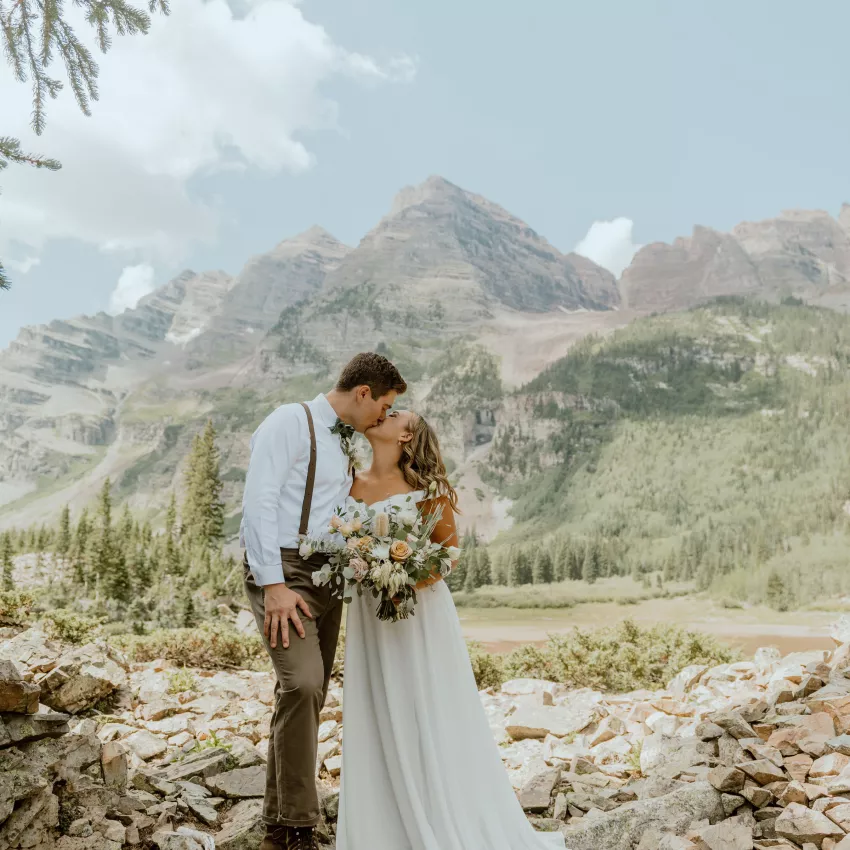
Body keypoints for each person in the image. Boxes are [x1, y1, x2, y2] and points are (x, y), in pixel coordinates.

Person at [336, 409, 566, 850]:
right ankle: (379, 825)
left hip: (418, 612)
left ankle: (442, 810)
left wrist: (400, 578)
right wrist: (364, 568)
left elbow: (447, 555)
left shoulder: (429, 490)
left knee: (427, 704)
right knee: (376, 703)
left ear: (407, 435)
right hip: (368, 613)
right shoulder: (348, 482)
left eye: (395, 413)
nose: (383, 413)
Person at [240, 352, 407, 850]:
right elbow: (259, 501)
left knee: (306, 693)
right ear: (363, 393)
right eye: (385, 405)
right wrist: (272, 584)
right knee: (304, 682)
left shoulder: (347, 440)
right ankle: (297, 828)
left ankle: (279, 821)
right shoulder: (289, 421)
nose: (384, 416)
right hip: (284, 571)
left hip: (329, 575)